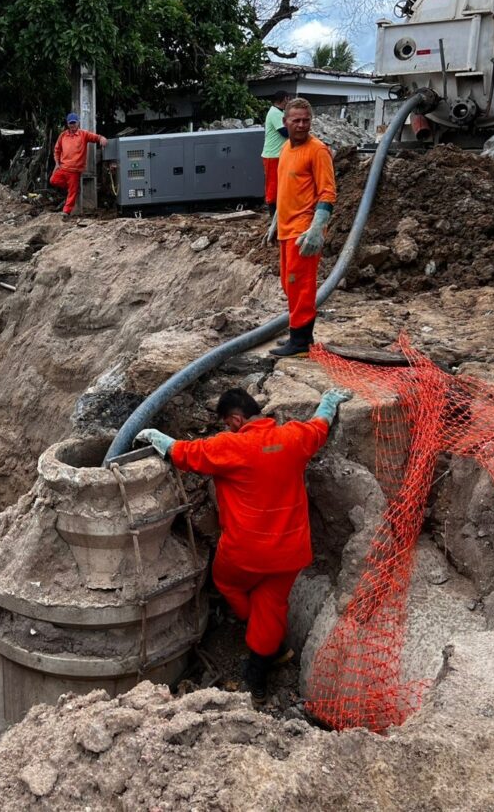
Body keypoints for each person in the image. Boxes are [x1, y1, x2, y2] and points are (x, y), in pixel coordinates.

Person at [136, 385, 351, 705]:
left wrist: (155, 436)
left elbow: (186, 453)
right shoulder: (294, 437)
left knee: (226, 583)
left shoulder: (231, 445)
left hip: (244, 552)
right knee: (271, 605)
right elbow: (320, 425)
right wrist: (329, 401)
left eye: (227, 423)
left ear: (236, 420)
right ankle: (259, 673)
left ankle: (256, 637)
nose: (227, 428)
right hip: (290, 553)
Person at [264, 97, 336, 358]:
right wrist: (275, 221)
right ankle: (300, 336)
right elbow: (286, 189)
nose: (302, 125)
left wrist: (317, 228)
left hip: (303, 231)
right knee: (289, 284)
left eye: (306, 120)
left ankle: (301, 342)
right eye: (296, 120)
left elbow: (327, 193)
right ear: (285, 122)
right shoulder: (285, 149)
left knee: (301, 286)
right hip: (286, 228)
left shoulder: (317, 151)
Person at [50, 112, 107, 217]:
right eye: (70, 123)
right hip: (63, 167)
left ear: (78, 123)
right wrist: (57, 163)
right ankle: (73, 187)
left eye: (74, 123)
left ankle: (66, 212)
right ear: (68, 124)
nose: (72, 125)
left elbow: (95, 137)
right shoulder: (63, 135)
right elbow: (57, 150)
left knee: (72, 192)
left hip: (75, 170)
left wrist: (101, 138)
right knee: (53, 180)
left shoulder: (83, 134)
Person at [261, 91, 289, 215]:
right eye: (288, 99)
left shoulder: (279, 113)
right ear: (285, 99)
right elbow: (285, 132)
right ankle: (273, 214)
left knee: (278, 184)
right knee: (273, 184)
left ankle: (278, 212)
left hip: (278, 155)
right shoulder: (275, 113)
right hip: (273, 155)